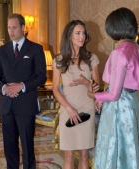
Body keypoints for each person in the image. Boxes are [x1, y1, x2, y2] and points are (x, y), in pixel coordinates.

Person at [87, 7, 139, 169]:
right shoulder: (137, 48)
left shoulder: (119, 52)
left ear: (115, 27)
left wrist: (96, 96)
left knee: (116, 150)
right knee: (130, 148)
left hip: (120, 106)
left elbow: (114, 93)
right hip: (134, 102)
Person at [0, 13, 46, 169]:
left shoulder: (36, 49)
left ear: (23, 27)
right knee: (9, 146)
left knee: (27, 145)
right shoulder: (2, 51)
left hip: (26, 104)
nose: (11, 31)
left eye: (14, 27)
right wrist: (4, 88)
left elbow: (41, 77)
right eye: (9, 27)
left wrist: (21, 85)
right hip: (7, 105)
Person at [52, 20, 100, 169]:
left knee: (85, 154)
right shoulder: (59, 60)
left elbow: (97, 90)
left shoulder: (92, 58)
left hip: (87, 109)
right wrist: (69, 108)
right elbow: (55, 89)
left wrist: (86, 82)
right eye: (78, 33)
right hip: (68, 110)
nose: (82, 37)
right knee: (69, 155)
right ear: (69, 36)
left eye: (84, 33)